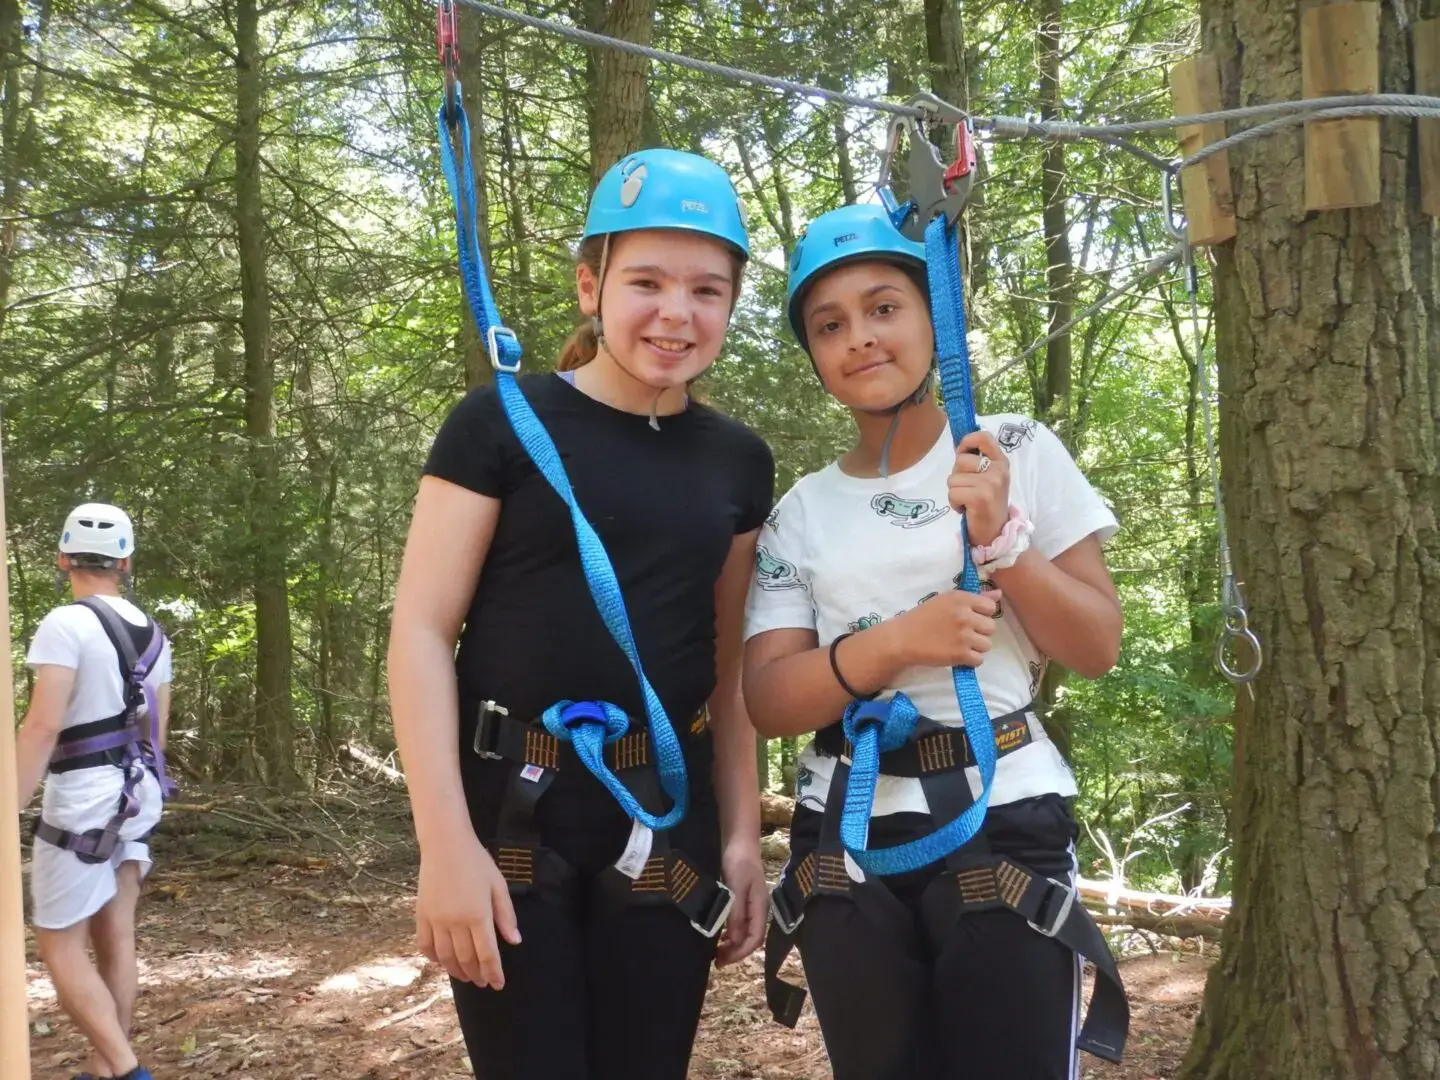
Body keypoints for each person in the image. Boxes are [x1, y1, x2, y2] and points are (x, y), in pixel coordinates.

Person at [388, 148, 775, 1080]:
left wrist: (738, 835)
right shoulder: (500, 423)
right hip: (513, 821)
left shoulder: (737, 462)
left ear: (730, 304)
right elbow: (421, 631)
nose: (676, 314)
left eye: (707, 290)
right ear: (589, 286)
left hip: (663, 817)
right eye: (646, 282)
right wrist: (443, 846)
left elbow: (726, 667)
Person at [743, 203, 1127, 1080]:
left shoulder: (1015, 449)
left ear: (934, 319)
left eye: (885, 308)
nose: (861, 339)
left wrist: (1006, 544)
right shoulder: (800, 510)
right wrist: (895, 645)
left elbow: (1097, 644)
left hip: (1001, 816)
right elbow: (768, 700)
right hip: (846, 832)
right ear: (813, 356)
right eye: (829, 325)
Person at [16, 502, 172, 1080]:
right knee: (116, 938)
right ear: (125, 561)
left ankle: (128, 1071)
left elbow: (42, 725)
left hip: (82, 798)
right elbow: (156, 732)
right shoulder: (154, 635)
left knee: (59, 948)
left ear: (62, 558)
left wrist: (10, 804)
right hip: (136, 792)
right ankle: (107, 1070)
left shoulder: (66, 623)